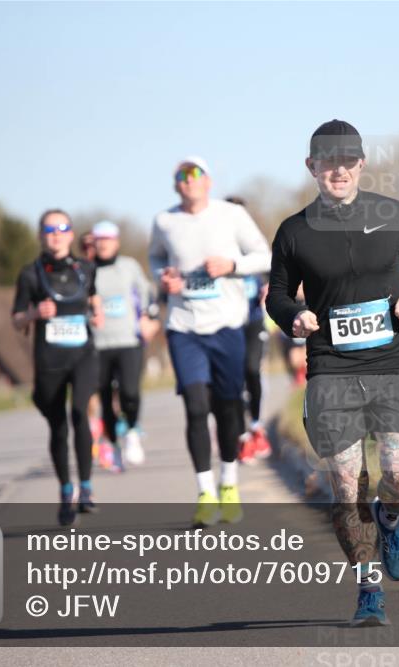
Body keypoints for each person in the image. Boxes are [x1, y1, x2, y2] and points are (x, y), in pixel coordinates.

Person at [266, 120, 399, 626]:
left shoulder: (392, 214)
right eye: (327, 161)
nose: (337, 170)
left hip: (393, 365)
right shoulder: (294, 232)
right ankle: (369, 589)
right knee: (345, 483)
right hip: (331, 369)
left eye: (347, 161)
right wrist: (293, 316)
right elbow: (277, 294)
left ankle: (389, 517)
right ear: (311, 167)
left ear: (361, 164)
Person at [149, 156, 271, 527]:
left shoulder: (230, 215)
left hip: (227, 325)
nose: (188, 180)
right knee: (196, 404)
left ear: (209, 181)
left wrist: (231, 266)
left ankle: (229, 481)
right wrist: (163, 279)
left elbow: (265, 255)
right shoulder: (164, 221)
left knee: (229, 406)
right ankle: (205, 492)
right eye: (181, 175)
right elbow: (155, 257)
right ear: (175, 185)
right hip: (184, 327)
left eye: (195, 173)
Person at [12, 209, 104, 527]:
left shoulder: (86, 269)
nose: (56, 233)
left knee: (80, 412)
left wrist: (98, 313)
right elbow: (17, 319)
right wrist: (35, 313)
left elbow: (94, 299)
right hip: (49, 359)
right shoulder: (30, 274)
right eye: (49, 229)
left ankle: (87, 489)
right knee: (58, 426)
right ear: (41, 235)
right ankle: (66, 490)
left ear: (70, 233)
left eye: (62, 228)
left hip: (83, 355)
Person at [91, 220, 160, 471]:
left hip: (129, 340)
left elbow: (148, 295)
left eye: (108, 239)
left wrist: (150, 319)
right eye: (99, 240)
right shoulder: (87, 270)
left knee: (130, 391)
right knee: (106, 399)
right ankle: (113, 443)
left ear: (116, 242)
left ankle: (131, 431)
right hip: (98, 344)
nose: (104, 244)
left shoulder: (129, 267)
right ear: (94, 243)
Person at [224, 196, 273, 463]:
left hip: (253, 320)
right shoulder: (216, 249)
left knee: (253, 371)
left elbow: (277, 275)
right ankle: (241, 435)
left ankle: (256, 426)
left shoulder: (257, 248)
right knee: (232, 379)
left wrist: (272, 289)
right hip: (226, 324)